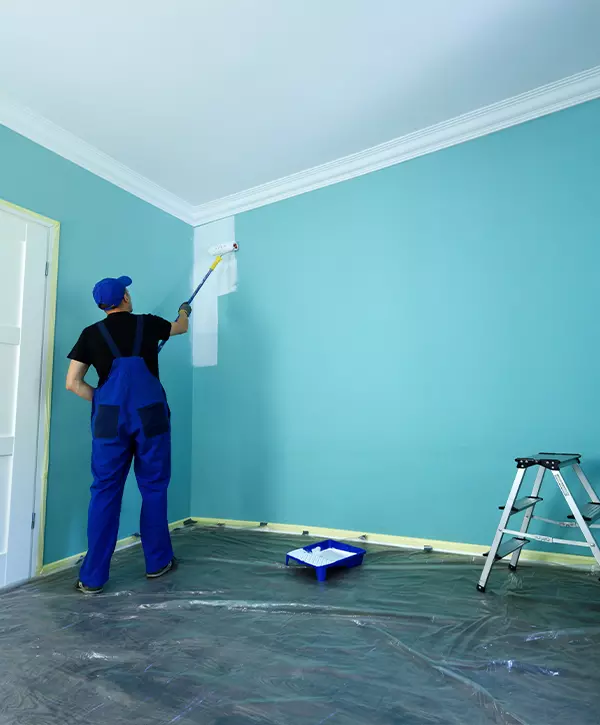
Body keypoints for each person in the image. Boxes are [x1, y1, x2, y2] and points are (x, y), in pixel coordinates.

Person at [66, 275, 191, 594]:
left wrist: (107, 399)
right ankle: (157, 563)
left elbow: (73, 383)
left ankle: (92, 578)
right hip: (149, 414)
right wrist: (184, 312)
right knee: (153, 487)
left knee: (105, 490)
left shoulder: (90, 334)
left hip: (109, 418)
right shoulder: (148, 323)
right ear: (125, 298)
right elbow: (179, 328)